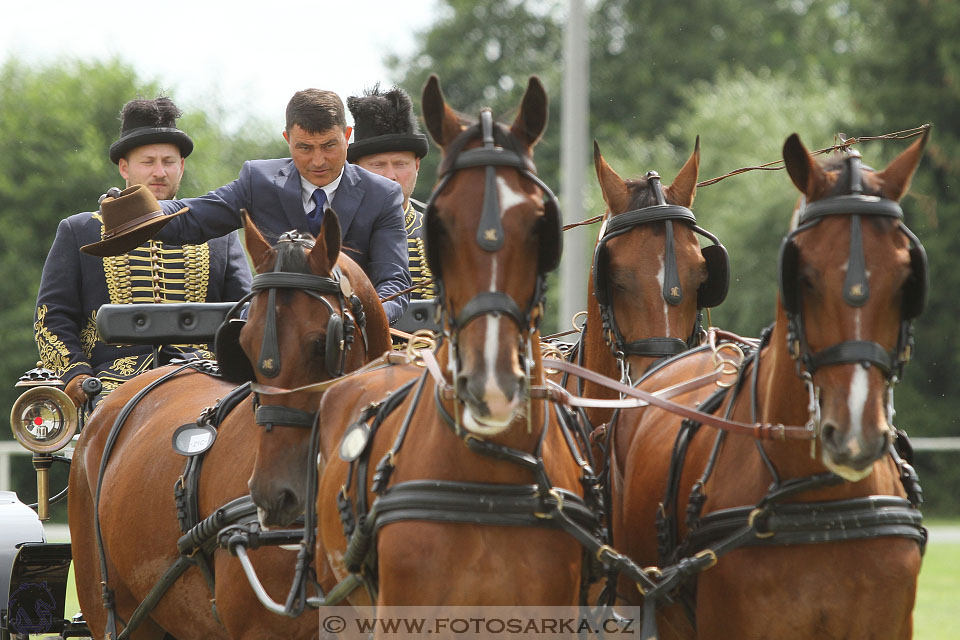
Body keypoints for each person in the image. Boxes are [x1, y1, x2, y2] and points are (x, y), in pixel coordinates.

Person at [34, 97, 252, 407]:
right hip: (113, 387)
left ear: (182, 166)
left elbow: (244, 315)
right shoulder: (78, 231)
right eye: (148, 162)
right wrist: (77, 376)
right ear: (125, 167)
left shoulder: (221, 237)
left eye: (168, 161)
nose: (160, 172)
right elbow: (52, 317)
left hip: (207, 381)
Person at [143, 89, 411, 324]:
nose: (318, 160)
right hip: (273, 338)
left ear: (347, 136)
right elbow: (194, 217)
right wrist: (136, 209)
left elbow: (394, 283)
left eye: (329, 145)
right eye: (305, 147)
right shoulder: (258, 181)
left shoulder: (383, 195)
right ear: (287, 139)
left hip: (353, 341)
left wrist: (360, 315)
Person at [347, 84, 434, 300]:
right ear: (356, 170)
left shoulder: (444, 235)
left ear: (417, 166)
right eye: (378, 165)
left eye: (400, 164)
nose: (390, 176)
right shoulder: (338, 233)